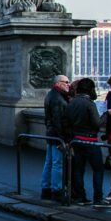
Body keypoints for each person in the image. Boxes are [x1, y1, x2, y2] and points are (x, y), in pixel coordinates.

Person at [66, 78, 111, 207]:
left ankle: (81, 197)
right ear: (90, 89)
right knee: (98, 169)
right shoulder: (89, 104)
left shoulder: (71, 103)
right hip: (90, 141)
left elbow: (67, 123)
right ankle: (98, 199)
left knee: (78, 170)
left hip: (76, 140)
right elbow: (97, 123)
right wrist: (105, 114)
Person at [41, 74, 70, 202]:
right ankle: (56, 190)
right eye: (66, 82)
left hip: (50, 134)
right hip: (57, 136)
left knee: (49, 163)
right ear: (58, 83)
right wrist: (63, 139)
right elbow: (58, 121)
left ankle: (45, 189)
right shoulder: (58, 99)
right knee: (57, 164)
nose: (69, 84)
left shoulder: (51, 95)